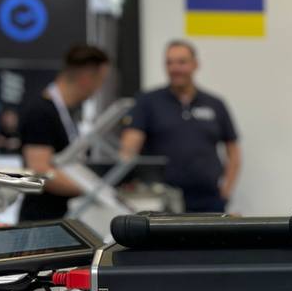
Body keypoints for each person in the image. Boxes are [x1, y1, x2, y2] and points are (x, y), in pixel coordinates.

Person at [120, 39, 241, 212]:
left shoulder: (215, 104)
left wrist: (226, 192)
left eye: (181, 62)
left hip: (208, 200)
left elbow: (234, 152)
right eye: (169, 63)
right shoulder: (147, 102)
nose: (175, 68)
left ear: (195, 64)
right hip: (162, 201)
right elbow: (128, 148)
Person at [16, 44, 111, 221]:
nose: (98, 89)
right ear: (86, 78)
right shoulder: (41, 112)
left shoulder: (67, 113)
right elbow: (40, 171)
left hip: (61, 216)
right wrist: (93, 190)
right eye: (100, 81)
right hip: (41, 221)